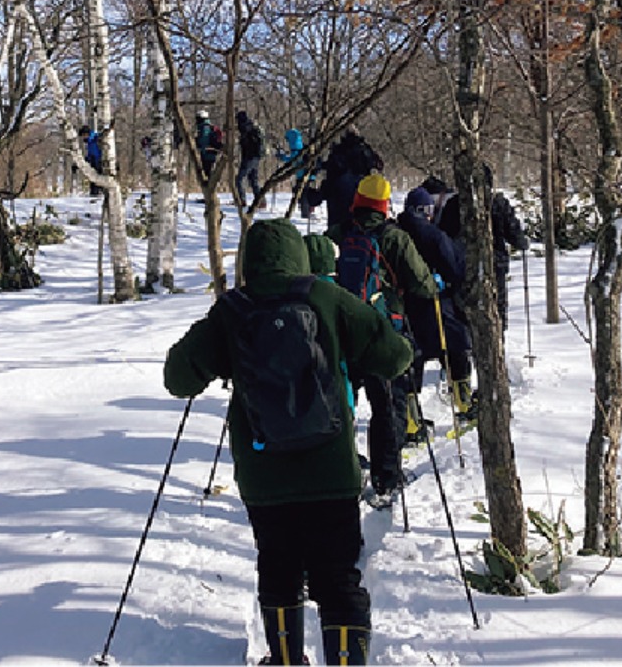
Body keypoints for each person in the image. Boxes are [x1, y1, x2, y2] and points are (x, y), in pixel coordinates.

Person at [165, 218, 411, 666]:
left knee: (278, 569)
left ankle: (284, 660)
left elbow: (177, 379)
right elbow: (395, 357)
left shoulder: (232, 309)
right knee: (339, 577)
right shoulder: (326, 297)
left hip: (265, 475)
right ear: (299, 255)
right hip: (331, 470)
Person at [329, 173, 436, 498]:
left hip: (342, 330)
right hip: (383, 333)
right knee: (387, 405)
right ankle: (387, 477)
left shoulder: (340, 232)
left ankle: (342, 468)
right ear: (385, 203)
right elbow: (421, 283)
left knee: (344, 402)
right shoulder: (395, 238)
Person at [397, 186, 474, 415]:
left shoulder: (396, 233)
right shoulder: (434, 235)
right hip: (436, 304)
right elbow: (455, 269)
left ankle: (411, 417)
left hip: (405, 308)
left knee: (412, 358)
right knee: (456, 346)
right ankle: (464, 402)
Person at [484, 164, 529, 331]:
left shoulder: (458, 204)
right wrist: (521, 241)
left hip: (466, 264)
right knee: (498, 307)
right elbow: (514, 234)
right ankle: (498, 342)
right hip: (496, 263)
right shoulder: (499, 204)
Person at [311, 128, 383, 229]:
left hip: (338, 218)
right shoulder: (365, 154)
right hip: (362, 220)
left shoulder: (337, 158)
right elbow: (379, 165)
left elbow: (326, 189)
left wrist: (312, 195)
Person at [235, 110, 264, 205]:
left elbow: (246, 143)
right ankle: (261, 201)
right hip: (256, 157)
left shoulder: (245, 127)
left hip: (249, 157)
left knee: (239, 179)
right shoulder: (252, 127)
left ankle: (241, 200)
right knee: (253, 180)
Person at [194, 110, 220, 181]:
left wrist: (197, 142)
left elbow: (204, 140)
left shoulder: (205, 127)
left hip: (207, 153)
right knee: (208, 172)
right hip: (210, 152)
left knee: (208, 172)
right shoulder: (206, 127)